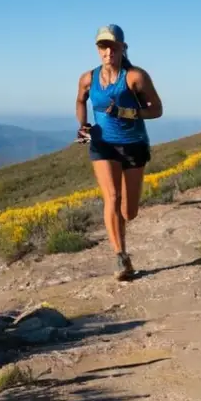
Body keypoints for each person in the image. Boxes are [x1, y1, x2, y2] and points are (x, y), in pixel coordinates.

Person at [74, 24, 163, 281]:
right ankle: (120, 257)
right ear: (97, 49)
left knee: (129, 211)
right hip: (102, 143)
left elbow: (156, 109)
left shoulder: (135, 77)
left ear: (123, 48)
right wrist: (82, 126)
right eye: (103, 46)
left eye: (113, 46)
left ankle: (122, 229)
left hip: (133, 144)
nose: (108, 51)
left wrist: (129, 113)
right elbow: (80, 100)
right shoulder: (88, 78)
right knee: (111, 197)